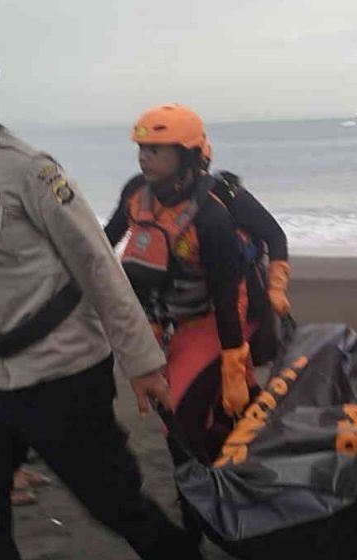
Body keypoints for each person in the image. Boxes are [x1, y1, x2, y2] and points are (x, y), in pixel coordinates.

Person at [0, 42, 201, 559]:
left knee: (115, 502)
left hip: (62, 375)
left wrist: (142, 361)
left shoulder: (28, 171)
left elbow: (97, 263)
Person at [107, 104, 259, 465]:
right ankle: (221, 464)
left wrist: (233, 364)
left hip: (206, 321)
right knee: (176, 413)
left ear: (187, 154)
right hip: (157, 324)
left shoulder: (211, 216)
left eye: (155, 150)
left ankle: (209, 484)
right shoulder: (135, 192)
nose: (144, 158)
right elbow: (103, 244)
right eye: (141, 149)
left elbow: (225, 299)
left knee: (183, 415)